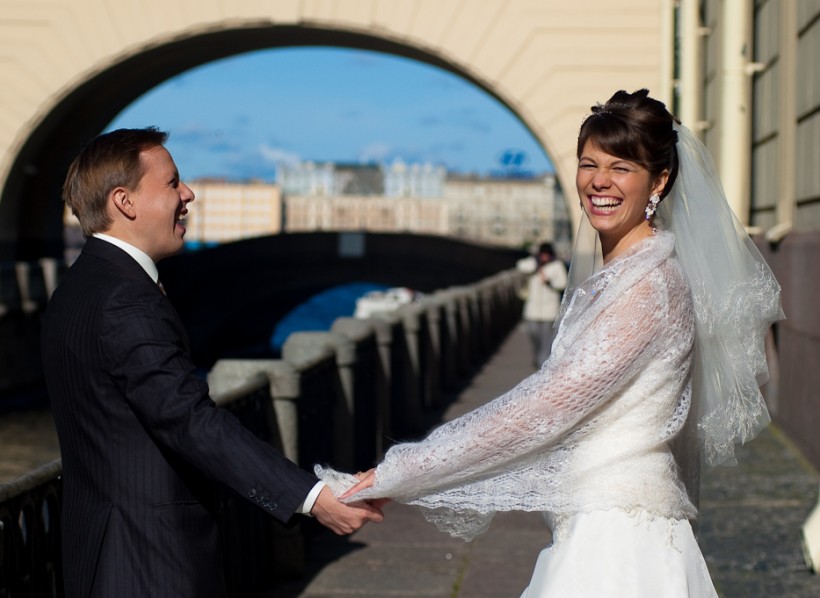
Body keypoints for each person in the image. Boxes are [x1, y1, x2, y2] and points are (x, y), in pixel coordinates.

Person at [319, 89, 783, 596]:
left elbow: (543, 406)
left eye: (621, 167)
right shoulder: (624, 275)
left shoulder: (648, 289)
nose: (599, 181)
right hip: (599, 522)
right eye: (589, 164)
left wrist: (403, 471)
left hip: (618, 541)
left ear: (659, 181)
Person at [41, 128, 383, 598]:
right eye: (172, 183)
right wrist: (311, 497)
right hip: (149, 563)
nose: (188, 194)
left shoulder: (79, 285)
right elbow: (187, 418)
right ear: (125, 201)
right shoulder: (126, 299)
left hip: (99, 553)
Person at [516, 243, 567, 368]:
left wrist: (549, 282)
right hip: (532, 310)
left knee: (546, 340)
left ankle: (542, 364)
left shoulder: (557, 266)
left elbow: (562, 283)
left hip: (549, 311)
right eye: (542, 254)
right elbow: (520, 266)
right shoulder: (533, 264)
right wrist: (536, 265)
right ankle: (538, 356)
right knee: (533, 334)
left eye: (547, 254)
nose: (545, 257)